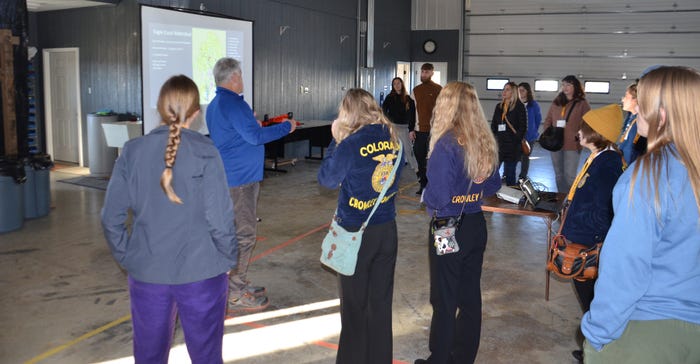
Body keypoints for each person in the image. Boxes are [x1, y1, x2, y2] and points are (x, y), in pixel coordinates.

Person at [101, 75, 237, 363]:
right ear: (196, 113)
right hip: (203, 273)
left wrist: (129, 258)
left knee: (149, 356)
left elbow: (110, 217)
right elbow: (220, 219)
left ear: (159, 109)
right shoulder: (206, 152)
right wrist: (227, 259)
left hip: (147, 273)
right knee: (207, 356)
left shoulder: (132, 151)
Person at [581, 66, 700, 363]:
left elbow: (625, 267)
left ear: (660, 114)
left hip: (650, 327)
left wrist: (597, 335)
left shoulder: (650, 174)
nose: (635, 110)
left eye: (641, 102)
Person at [415, 82, 501, 364]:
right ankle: (463, 356)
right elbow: (493, 184)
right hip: (476, 224)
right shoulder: (483, 141)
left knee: (444, 297)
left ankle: (439, 359)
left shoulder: (447, 144)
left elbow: (439, 197)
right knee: (469, 295)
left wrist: (426, 195)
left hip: (446, 226)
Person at [206, 57, 297, 315]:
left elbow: (240, 134)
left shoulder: (216, 104)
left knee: (233, 233)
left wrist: (253, 125)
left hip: (231, 177)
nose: (243, 79)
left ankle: (235, 283)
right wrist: (285, 127)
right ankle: (234, 291)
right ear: (234, 77)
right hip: (240, 182)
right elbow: (255, 137)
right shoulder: (234, 103)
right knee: (244, 235)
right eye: (241, 75)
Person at [318, 88, 403, 364]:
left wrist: (335, 140)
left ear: (349, 113)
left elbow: (327, 179)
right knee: (380, 305)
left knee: (354, 309)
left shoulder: (351, 143)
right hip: (387, 229)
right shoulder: (392, 137)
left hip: (356, 235)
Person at [559, 104, 625, 363]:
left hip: (588, 245)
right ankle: (592, 347)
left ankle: (599, 351)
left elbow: (604, 212)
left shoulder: (607, 165)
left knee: (593, 300)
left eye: (584, 129)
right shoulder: (599, 157)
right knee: (590, 299)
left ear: (597, 133)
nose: (578, 132)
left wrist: (593, 244)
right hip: (584, 239)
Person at [541, 75, 591, 193]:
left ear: (576, 87)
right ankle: (561, 199)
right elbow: (548, 118)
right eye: (563, 84)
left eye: (568, 84)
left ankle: (571, 199)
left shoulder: (582, 103)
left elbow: (588, 122)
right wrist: (548, 131)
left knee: (569, 176)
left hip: (572, 144)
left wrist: (579, 136)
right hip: (555, 143)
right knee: (559, 175)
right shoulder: (557, 101)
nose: (565, 87)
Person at [412, 63, 442, 195]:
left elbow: (443, 110)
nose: (423, 74)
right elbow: (412, 111)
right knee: (419, 157)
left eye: (426, 72)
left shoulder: (439, 89)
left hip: (434, 131)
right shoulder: (416, 90)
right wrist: (411, 129)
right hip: (419, 131)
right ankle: (423, 184)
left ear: (432, 73)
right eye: (422, 72)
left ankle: (433, 185)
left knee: (433, 159)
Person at [491, 81, 527, 186]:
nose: (504, 92)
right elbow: (494, 124)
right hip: (499, 145)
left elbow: (523, 127)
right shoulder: (499, 106)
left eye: (507, 89)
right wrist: (493, 138)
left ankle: (511, 196)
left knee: (510, 174)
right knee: (493, 171)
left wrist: (515, 140)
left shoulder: (519, 107)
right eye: (504, 89)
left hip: (512, 147)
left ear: (514, 92)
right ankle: (493, 194)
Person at [383, 77, 418, 172]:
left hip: (404, 128)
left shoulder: (408, 99)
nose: (397, 85)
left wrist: (411, 129)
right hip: (393, 127)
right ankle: (390, 168)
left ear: (402, 84)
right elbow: (383, 110)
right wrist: (388, 122)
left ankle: (416, 169)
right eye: (394, 84)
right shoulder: (389, 98)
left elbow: (412, 116)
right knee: (393, 148)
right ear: (393, 86)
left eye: (398, 83)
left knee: (407, 148)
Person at [616, 83, 646, 165]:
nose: (623, 100)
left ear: (635, 100)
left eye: (626, 96)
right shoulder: (630, 117)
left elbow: (631, 149)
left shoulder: (639, 123)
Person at [517, 82, 542, 180]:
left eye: (522, 90)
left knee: (525, 157)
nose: (520, 92)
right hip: (516, 136)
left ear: (528, 92)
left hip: (529, 137)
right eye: (518, 90)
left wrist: (532, 131)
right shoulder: (515, 104)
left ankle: (522, 176)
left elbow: (538, 119)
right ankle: (507, 176)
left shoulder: (533, 105)